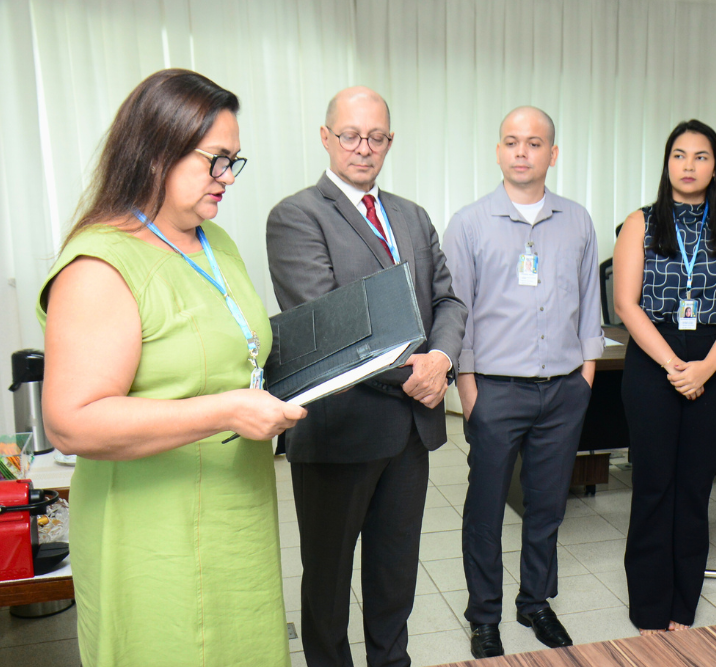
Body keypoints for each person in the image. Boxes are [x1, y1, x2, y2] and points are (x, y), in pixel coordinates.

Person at [38, 69, 306, 667]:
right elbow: (72, 424)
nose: (227, 179)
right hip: (150, 533)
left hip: (234, 514)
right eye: (216, 160)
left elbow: (236, 344)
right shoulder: (101, 265)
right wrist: (229, 409)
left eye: (235, 162)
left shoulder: (214, 241)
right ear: (158, 150)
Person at [266, 86, 466, 667]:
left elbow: (448, 301)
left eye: (376, 137)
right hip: (339, 428)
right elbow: (331, 321)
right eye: (350, 135)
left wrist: (443, 360)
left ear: (390, 141)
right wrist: (416, 371)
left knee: (395, 567)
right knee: (328, 579)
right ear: (326, 137)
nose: (363, 147)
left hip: (410, 431)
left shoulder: (412, 215)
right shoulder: (296, 216)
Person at [442, 106, 604, 659]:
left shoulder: (578, 221)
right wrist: (467, 390)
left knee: (547, 507)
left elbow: (589, 307)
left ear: (551, 155)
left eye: (534, 143)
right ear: (498, 151)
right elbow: (454, 312)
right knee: (486, 509)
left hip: (563, 391)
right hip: (495, 390)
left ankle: (534, 602)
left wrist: (583, 379)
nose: (521, 151)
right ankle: (483, 615)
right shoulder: (468, 223)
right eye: (511, 141)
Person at [613, 120, 716, 634]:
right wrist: (674, 365)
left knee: (694, 491)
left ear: (715, 166)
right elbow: (626, 304)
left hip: (712, 360)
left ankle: (682, 607)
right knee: (653, 486)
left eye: (700, 156)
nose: (689, 165)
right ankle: (649, 608)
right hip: (655, 358)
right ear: (667, 162)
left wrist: (705, 368)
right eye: (679, 155)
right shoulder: (641, 222)